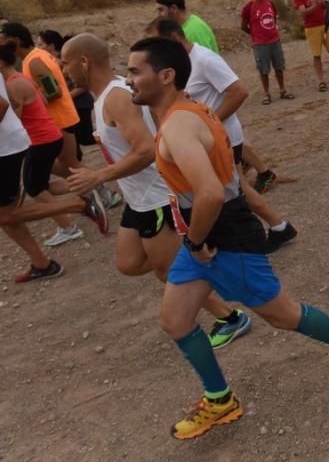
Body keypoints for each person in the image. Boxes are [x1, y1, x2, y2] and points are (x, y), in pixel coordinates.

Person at [126, 36, 329, 440]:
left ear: (166, 75)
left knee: (282, 315)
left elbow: (210, 192)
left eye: (136, 71)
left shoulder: (179, 125)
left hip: (222, 237)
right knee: (175, 320)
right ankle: (220, 398)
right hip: (205, 237)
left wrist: (193, 241)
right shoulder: (184, 113)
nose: (129, 79)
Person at [61, 34, 252, 349]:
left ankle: (229, 315)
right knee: (129, 263)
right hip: (137, 199)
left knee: (167, 269)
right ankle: (202, 261)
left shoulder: (116, 97)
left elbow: (146, 149)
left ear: (84, 62)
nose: (62, 68)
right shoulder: (107, 96)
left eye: (65, 62)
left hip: (157, 197)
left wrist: (99, 176)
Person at [148, 19, 296, 252]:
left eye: (157, 44)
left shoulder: (204, 59)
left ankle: (261, 234)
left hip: (219, 138)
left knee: (234, 190)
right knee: (238, 188)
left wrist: (207, 123)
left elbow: (239, 92)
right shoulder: (183, 64)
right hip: (208, 140)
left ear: (175, 38)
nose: (153, 51)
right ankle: (278, 227)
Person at [0, 74, 106, 283]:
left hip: (7, 150)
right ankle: (42, 264)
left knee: (7, 214)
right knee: (7, 214)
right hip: (15, 142)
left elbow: (3, 105)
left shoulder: (31, 63)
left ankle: (80, 205)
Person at [0, 43, 88, 250]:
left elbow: (16, 117)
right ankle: (93, 189)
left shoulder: (14, 83)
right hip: (48, 134)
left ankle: (72, 222)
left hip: (40, 138)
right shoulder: (20, 77)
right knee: (48, 179)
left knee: (35, 187)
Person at [39, 30, 97, 153]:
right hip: (72, 105)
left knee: (85, 138)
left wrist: (66, 97)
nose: (38, 48)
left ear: (51, 46)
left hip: (81, 104)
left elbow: (83, 86)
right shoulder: (49, 62)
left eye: (41, 44)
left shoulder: (63, 62)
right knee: (77, 138)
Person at [240, 0, 293, 105]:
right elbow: (243, 26)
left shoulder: (270, 4)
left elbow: (273, 19)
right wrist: (254, 34)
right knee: (263, 69)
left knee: (279, 66)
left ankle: (282, 90)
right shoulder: (249, 7)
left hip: (274, 40)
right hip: (260, 43)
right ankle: (267, 93)